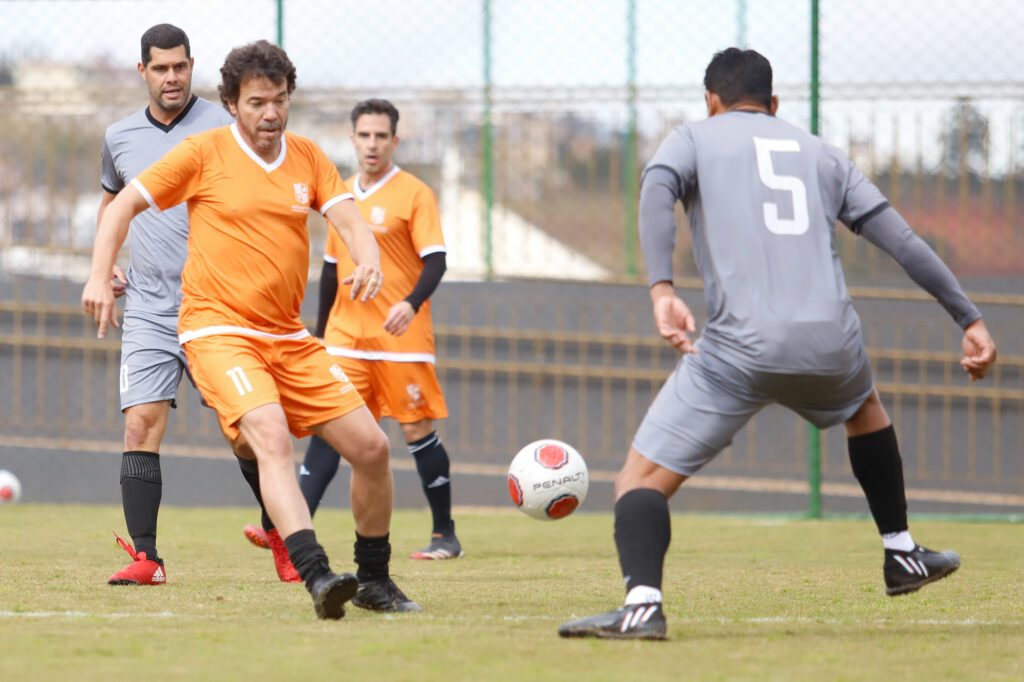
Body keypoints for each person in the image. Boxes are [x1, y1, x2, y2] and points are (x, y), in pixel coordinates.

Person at [558, 48, 998, 640]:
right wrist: (967, 318)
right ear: (775, 104)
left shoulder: (692, 138)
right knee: (865, 409)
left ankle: (642, 605)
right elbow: (903, 240)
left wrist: (662, 288)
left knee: (638, 481)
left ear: (711, 101)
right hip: (832, 343)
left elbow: (657, 192)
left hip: (740, 348)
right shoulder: (822, 154)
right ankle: (901, 552)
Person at [83, 40, 419, 619]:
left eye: (280, 101)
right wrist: (97, 274)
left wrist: (369, 256)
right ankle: (315, 574)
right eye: (259, 102)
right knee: (269, 433)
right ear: (233, 103)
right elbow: (120, 208)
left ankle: (375, 579)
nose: (271, 114)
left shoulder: (308, 157)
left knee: (372, 449)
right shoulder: (202, 152)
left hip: (288, 337)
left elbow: (348, 218)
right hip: (217, 330)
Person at [243, 98, 462, 561]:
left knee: (416, 433)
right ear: (352, 139)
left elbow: (437, 260)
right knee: (327, 432)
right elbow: (327, 271)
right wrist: (320, 338)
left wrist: (410, 303)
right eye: (364, 135)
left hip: (401, 341)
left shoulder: (415, 193)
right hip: (345, 339)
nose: (372, 144)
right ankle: (287, 529)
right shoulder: (337, 193)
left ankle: (445, 534)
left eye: (381, 136)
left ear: (395, 141)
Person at [99, 23, 236, 586]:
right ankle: (147, 559)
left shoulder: (225, 126)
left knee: (245, 431)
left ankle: (281, 537)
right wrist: (101, 264)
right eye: (160, 68)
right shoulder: (119, 136)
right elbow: (112, 204)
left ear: (191, 66)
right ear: (143, 72)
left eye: (180, 66)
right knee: (139, 427)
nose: (172, 77)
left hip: (219, 303)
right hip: (150, 304)